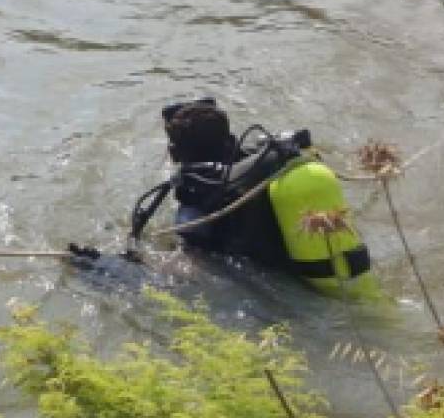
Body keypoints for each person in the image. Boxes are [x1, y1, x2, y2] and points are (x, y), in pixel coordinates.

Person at [128, 98, 374, 297]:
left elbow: (192, 264)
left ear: (174, 153)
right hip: (332, 267)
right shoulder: (265, 168)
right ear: (230, 138)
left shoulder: (199, 193)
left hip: (282, 290)